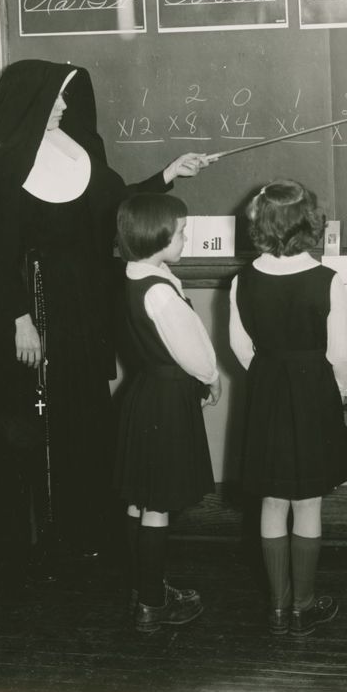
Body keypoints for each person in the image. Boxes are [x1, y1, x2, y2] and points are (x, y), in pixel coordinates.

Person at [0, 59, 211, 586]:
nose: (66, 107)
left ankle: (87, 530)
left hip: (84, 303)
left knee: (85, 410)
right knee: (38, 419)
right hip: (35, 305)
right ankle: (39, 539)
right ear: (30, 102)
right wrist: (19, 319)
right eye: (56, 99)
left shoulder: (79, 149)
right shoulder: (0, 160)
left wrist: (169, 174)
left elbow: (114, 211)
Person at [229, 179, 347, 636]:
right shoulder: (328, 280)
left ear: (258, 225)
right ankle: (304, 605)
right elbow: (341, 351)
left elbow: (240, 347)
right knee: (307, 501)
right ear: (310, 223)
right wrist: (338, 391)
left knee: (270, 499)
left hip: (266, 389)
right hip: (311, 393)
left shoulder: (242, 279)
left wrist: (268, 375)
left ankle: (278, 608)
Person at [113, 192, 222, 633]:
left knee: (141, 501)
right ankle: (153, 606)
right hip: (165, 397)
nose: (184, 238)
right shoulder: (159, 291)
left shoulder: (139, 274)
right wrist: (212, 377)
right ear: (155, 235)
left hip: (145, 394)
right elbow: (192, 348)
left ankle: (145, 585)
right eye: (179, 233)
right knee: (156, 505)